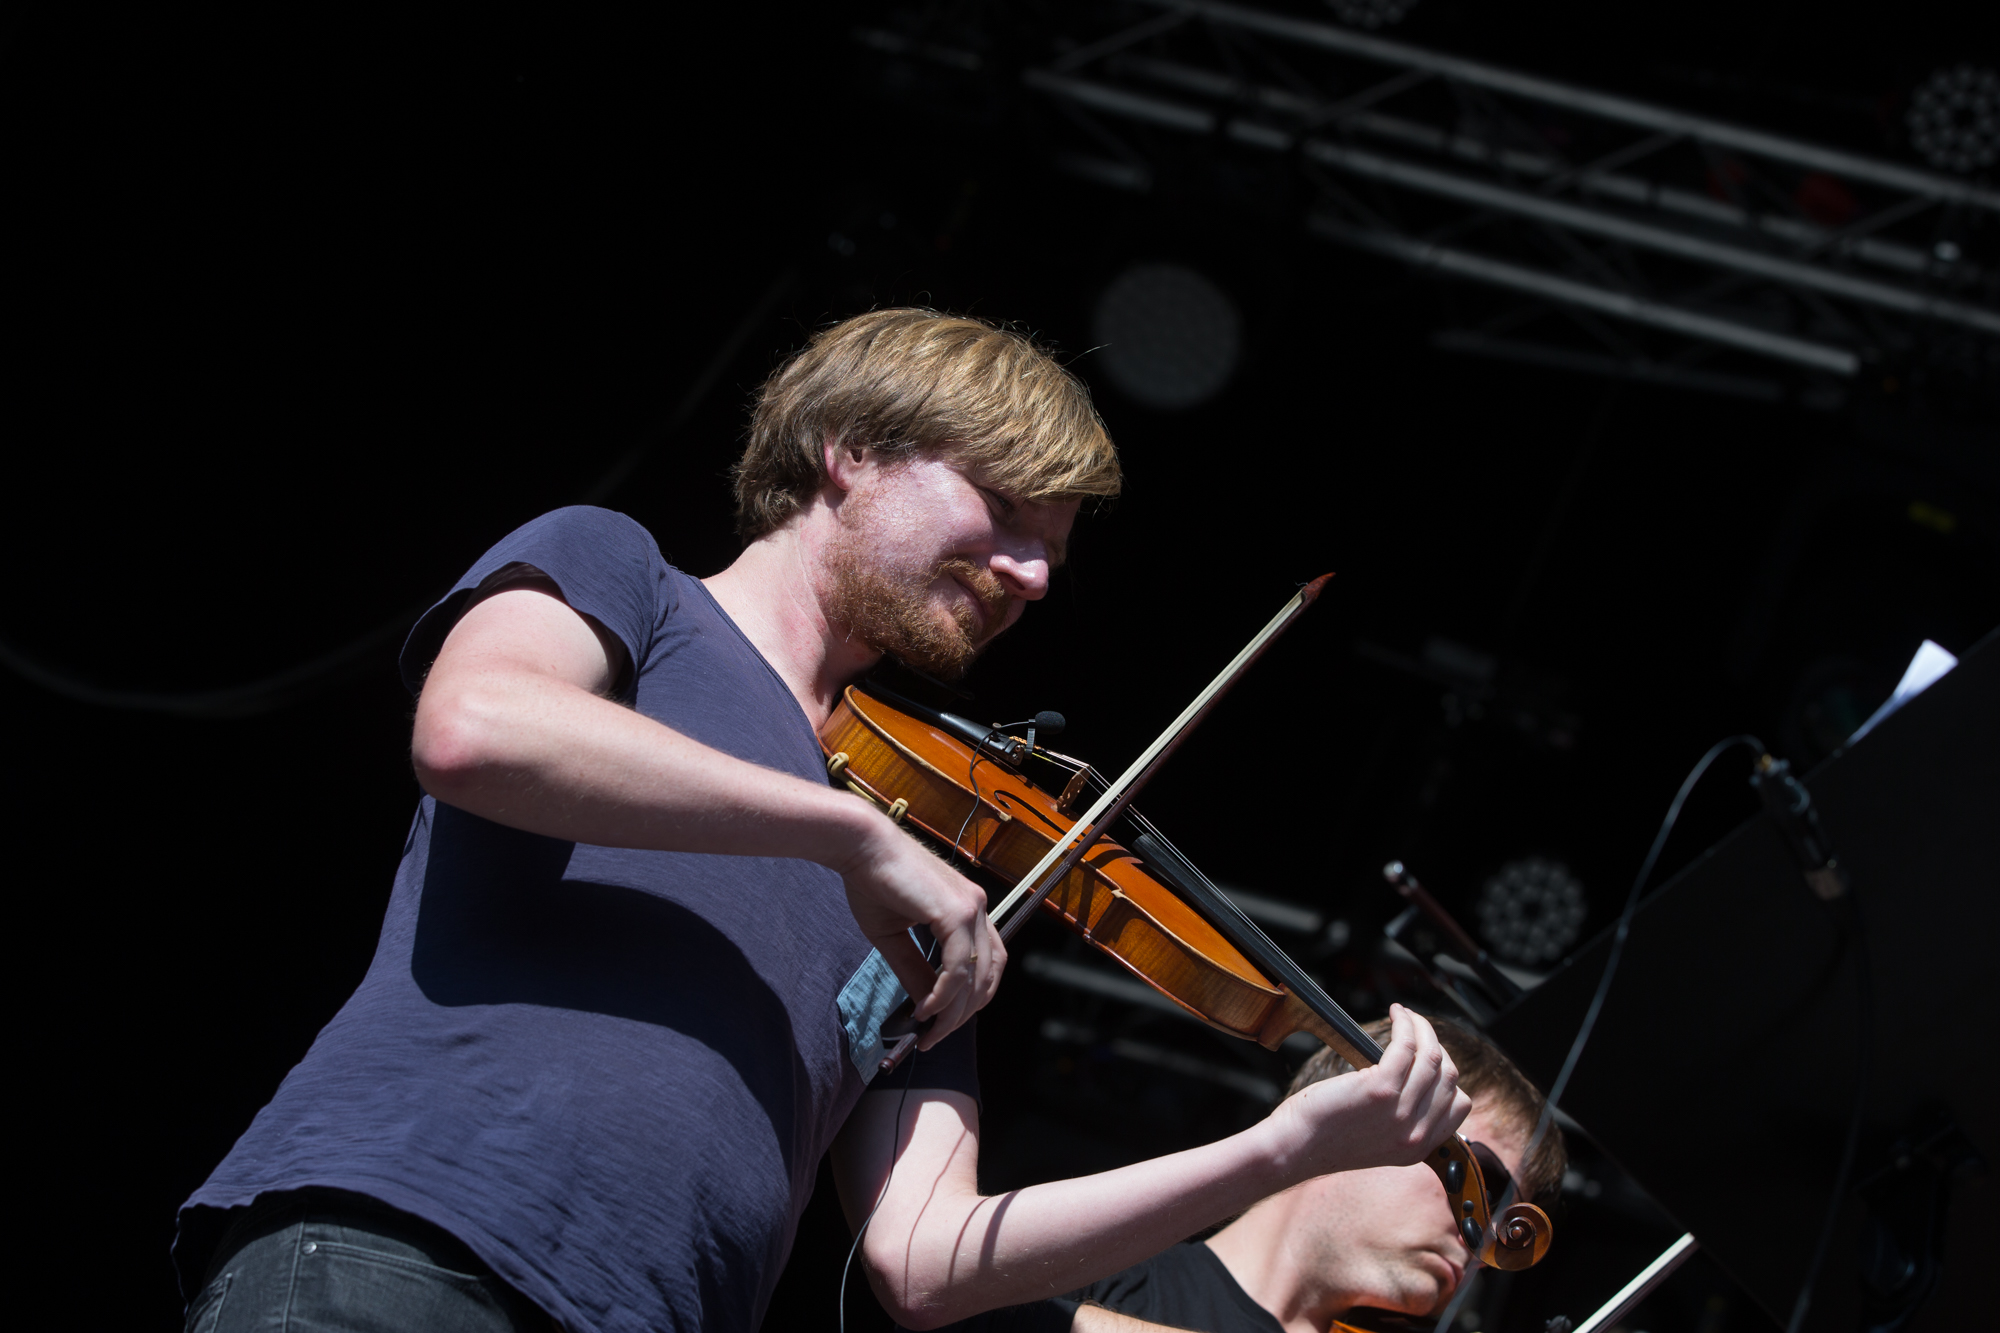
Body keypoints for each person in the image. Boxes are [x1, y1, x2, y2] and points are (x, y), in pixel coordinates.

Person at [176, 309, 1474, 1333]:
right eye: (1005, 511)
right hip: (410, 1247)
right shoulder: (633, 581)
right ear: (849, 451)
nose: (1032, 575)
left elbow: (926, 1258)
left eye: (1051, 552)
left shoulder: (929, 872)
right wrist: (845, 834)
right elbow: (475, 729)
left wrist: (1275, 1149)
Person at [942, 1017, 1567, 1333]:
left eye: (1508, 1220)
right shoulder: (1096, 1273)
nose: (1486, 1237)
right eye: (1482, 1181)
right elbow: (936, 1294)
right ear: (1365, 1120)